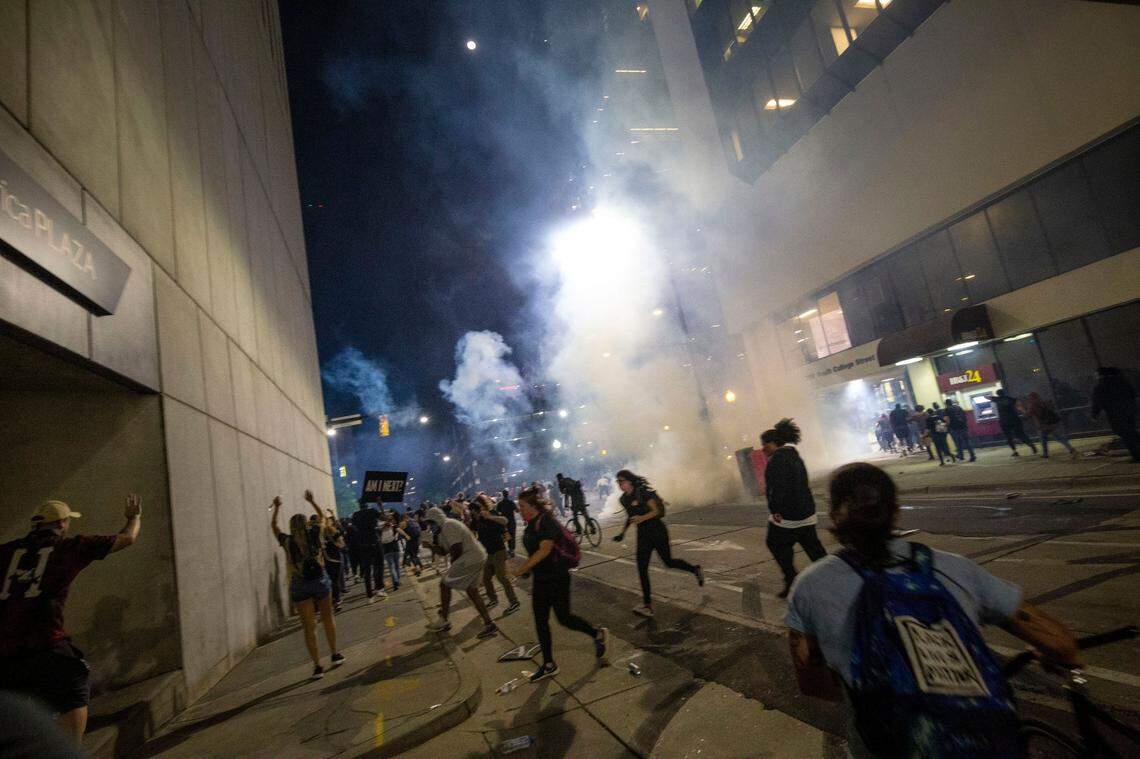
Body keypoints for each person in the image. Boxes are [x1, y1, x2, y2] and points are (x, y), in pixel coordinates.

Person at [786, 462, 1079, 757]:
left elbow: (815, 686)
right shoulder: (954, 568)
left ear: (834, 515)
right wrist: (1049, 652)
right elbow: (1062, 645)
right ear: (896, 511)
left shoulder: (809, 587)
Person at [0, 495, 141, 744]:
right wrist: (134, 517)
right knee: (74, 687)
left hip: (6, 653)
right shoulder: (69, 547)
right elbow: (127, 538)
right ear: (63, 523)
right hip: (46, 644)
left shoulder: (6, 552)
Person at [512, 484, 607, 682]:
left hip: (557, 577)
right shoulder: (531, 524)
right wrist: (529, 570)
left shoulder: (546, 522)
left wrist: (522, 568)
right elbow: (534, 553)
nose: (519, 509)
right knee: (540, 620)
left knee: (564, 618)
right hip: (541, 579)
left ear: (532, 506)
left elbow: (545, 549)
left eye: (521, 506)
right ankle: (548, 664)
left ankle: (596, 633)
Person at [272, 491, 344, 678]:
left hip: (300, 583)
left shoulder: (287, 541)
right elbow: (321, 518)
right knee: (328, 619)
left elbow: (274, 527)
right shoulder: (313, 534)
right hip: (319, 580)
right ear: (305, 524)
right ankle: (335, 654)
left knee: (309, 627)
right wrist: (312, 501)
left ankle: (317, 666)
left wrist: (277, 508)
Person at [613, 469, 703, 618]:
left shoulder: (643, 492)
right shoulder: (624, 499)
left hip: (657, 532)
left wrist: (641, 518)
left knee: (668, 562)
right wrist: (622, 533)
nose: (620, 484)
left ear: (630, 481)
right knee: (642, 568)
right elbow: (630, 516)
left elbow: (656, 512)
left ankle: (694, 569)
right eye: (618, 482)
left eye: (622, 481)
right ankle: (647, 605)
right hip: (643, 536)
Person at [760, 419, 828, 598]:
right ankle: (833, 577)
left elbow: (777, 488)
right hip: (806, 511)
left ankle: (791, 579)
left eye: (764, 444)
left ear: (773, 443)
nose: (762, 448)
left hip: (789, 515)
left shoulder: (777, 460)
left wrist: (775, 509)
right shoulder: (794, 455)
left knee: (774, 542)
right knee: (813, 547)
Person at [424, 507, 498, 639]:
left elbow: (456, 549)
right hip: (476, 557)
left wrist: (453, 568)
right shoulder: (442, 532)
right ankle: (489, 624)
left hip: (470, 558)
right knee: (472, 591)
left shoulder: (448, 525)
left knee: (444, 585)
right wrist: (430, 546)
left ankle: (444, 620)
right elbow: (443, 551)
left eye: (431, 522)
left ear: (437, 519)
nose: (430, 525)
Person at [471, 493, 520, 615]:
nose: (476, 512)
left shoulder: (491, 513)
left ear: (482, 506)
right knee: (486, 577)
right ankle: (493, 599)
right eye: (474, 510)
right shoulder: (475, 520)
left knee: (501, 577)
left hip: (498, 550)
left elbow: (505, 520)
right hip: (488, 553)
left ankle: (514, 602)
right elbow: (473, 534)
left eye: (478, 509)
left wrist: (490, 517)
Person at [1091, 366, 1140, 463]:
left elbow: (1097, 402)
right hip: (1129, 411)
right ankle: (1137, 453)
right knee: (1131, 431)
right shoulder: (1123, 382)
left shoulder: (1101, 386)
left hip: (1114, 414)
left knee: (1125, 434)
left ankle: (1137, 455)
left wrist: (1094, 415)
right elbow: (1132, 394)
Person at [350, 501, 386, 602]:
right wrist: (380, 505)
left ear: (359, 505)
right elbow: (384, 518)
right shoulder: (372, 511)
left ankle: (369, 595)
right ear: (367, 504)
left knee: (367, 570)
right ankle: (379, 588)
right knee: (379, 566)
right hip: (374, 542)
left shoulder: (355, 515)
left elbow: (354, 527)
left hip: (363, 545)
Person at [1024, 391, 1077, 459]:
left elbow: (1027, 415)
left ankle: (1045, 454)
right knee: (1059, 438)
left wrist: (1022, 409)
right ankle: (1071, 448)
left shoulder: (1032, 405)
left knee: (1043, 440)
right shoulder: (1043, 402)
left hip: (1041, 425)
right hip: (1050, 424)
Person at [987, 388, 1038, 456]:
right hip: (1015, 419)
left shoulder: (997, 399)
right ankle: (1031, 445)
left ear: (998, 394)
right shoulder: (1012, 399)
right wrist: (1024, 413)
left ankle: (1015, 451)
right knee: (1021, 435)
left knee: (1009, 437)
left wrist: (992, 397)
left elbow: (987, 397)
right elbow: (1019, 406)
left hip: (1004, 421)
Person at [322, 512, 346, 612]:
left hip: (326, 561)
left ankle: (334, 601)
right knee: (335, 581)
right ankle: (336, 601)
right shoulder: (334, 533)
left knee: (330, 581)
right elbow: (342, 544)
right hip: (336, 560)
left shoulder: (320, 536)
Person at [379, 511, 406, 591]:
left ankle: (395, 582)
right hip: (395, 548)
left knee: (391, 567)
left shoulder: (380, 529)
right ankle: (398, 580)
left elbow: (380, 540)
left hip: (386, 550)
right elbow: (402, 533)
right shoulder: (394, 527)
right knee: (397, 566)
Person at [498, 489, 518, 557]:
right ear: (508, 494)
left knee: (505, 536)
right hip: (511, 522)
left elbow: (498, 512)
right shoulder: (511, 502)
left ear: (502, 495)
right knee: (512, 536)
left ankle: (504, 550)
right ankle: (511, 550)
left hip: (504, 523)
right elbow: (517, 510)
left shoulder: (500, 503)